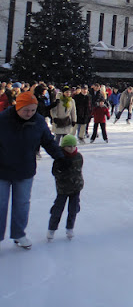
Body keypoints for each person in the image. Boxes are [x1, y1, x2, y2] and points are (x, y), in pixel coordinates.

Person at [0, 92, 64, 249]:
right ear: (17, 107)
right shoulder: (2, 120)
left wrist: (60, 157)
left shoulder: (39, 121)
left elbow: (48, 141)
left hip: (25, 169)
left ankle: (19, 234)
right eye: (25, 110)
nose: (29, 113)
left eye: (33, 110)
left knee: (22, 204)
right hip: (2, 170)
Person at [47, 134, 84, 241]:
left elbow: (79, 170)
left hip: (76, 188)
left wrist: (79, 182)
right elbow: (54, 172)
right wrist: (62, 170)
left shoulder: (79, 157)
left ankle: (70, 228)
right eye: (68, 146)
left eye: (73, 146)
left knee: (73, 210)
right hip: (63, 189)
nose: (71, 148)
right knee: (58, 209)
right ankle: (51, 229)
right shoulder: (60, 158)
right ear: (63, 147)